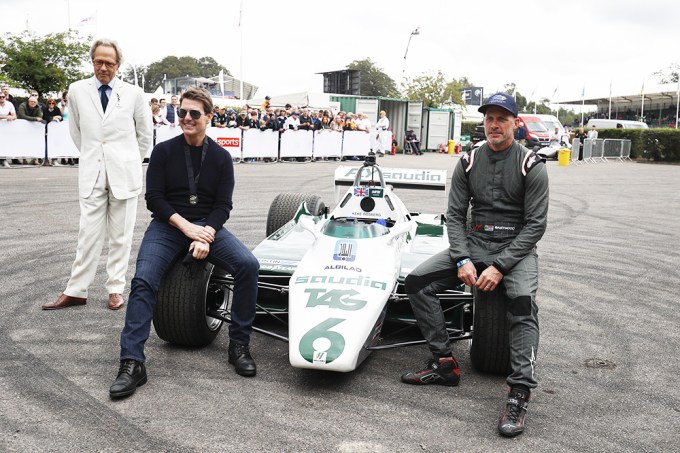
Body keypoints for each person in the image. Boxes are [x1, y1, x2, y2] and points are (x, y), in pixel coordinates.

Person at [400, 93, 549, 438]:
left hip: (516, 249)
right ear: (483, 123)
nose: (494, 125)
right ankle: (444, 364)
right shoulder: (467, 161)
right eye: (489, 119)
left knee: (523, 304)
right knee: (418, 282)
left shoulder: (532, 165)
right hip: (475, 242)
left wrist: (499, 266)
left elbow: (536, 225)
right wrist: (463, 257)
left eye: (502, 119)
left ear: (515, 123)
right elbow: (454, 215)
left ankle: (519, 393)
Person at [109, 87, 259, 399]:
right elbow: (154, 199)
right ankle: (132, 363)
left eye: (194, 113)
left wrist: (207, 233)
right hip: (169, 225)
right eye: (182, 112)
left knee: (248, 266)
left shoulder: (220, 157)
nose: (187, 118)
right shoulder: (164, 151)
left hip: (207, 227)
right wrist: (187, 228)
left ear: (209, 117)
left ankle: (239, 345)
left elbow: (223, 206)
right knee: (142, 281)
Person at [42, 38, 152, 311]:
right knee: (87, 234)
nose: (104, 67)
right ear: (92, 61)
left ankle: (116, 288)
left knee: (121, 235)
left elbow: (144, 136)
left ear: (118, 65)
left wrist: (127, 161)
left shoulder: (134, 93)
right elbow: (77, 132)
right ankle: (76, 289)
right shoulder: (77, 90)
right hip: (92, 172)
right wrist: (95, 157)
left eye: (109, 63)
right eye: (99, 61)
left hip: (124, 174)